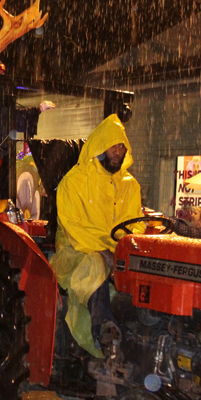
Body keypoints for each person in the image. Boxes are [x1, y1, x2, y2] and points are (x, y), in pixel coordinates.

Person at [49, 114, 142, 358]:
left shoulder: (130, 186)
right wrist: (103, 252)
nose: (118, 151)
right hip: (75, 252)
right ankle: (104, 328)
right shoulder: (74, 182)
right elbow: (72, 227)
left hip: (116, 253)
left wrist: (126, 250)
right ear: (99, 145)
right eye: (113, 145)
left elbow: (136, 224)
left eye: (122, 146)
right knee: (96, 264)